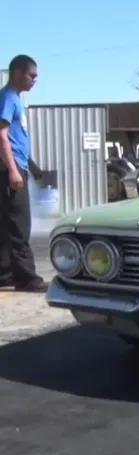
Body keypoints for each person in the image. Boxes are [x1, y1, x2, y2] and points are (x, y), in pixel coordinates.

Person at [0, 54, 47, 292]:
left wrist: (32, 166)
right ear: (17, 73)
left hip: (17, 165)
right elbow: (2, 136)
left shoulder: (14, 98)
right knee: (20, 224)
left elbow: (16, 140)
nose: (34, 80)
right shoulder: (8, 97)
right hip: (10, 169)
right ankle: (27, 278)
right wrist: (13, 171)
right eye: (32, 75)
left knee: (6, 223)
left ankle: (4, 273)